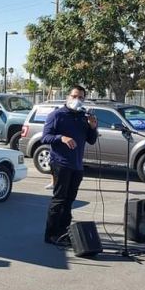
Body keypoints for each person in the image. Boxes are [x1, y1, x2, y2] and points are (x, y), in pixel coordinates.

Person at [41, 85, 98, 244]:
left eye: (80, 97)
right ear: (68, 97)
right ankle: (51, 234)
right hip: (60, 163)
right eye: (74, 96)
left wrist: (93, 127)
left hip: (77, 165)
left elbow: (91, 140)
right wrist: (62, 138)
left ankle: (64, 233)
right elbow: (45, 137)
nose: (77, 100)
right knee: (59, 200)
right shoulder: (57, 115)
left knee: (69, 201)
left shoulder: (83, 117)